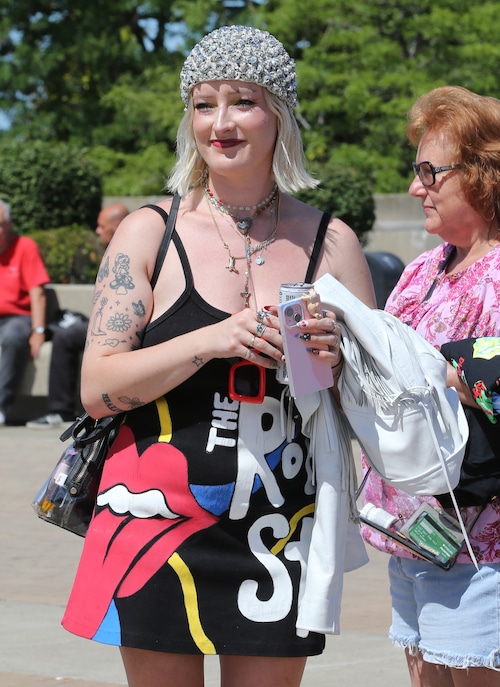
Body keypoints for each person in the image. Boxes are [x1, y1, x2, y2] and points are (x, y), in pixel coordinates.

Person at [61, 25, 375, 687]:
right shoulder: (149, 230)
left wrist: (339, 361)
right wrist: (210, 339)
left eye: (243, 102)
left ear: (280, 115)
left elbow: (370, 402)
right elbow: (96, 385)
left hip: (280, 525)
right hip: (153, 515)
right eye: (205, 103)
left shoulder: (332, 240)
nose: (221, 123)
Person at [360, 86, 500, 686]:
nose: (417, 187)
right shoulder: (425, 266)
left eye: (429, 172)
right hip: (417, 530)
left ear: (484, 173)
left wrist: (439, 369)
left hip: (483, 537)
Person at [26, 202, 129, 429]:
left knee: (68, 336)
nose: (97, 231)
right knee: (67, 335)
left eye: (101, 226)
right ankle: (62, 412)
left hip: (132, 325)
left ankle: (71, 412)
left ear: (117, 225)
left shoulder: (132, 249)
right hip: (111, 321)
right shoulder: (115, 249)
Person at [0, 200, 51, 426]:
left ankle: (1, 406)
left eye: (0, 224)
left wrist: (38, 331)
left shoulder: (25, 247)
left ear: (9, 224)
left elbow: (37, 293)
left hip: (17, 317)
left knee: (12, 336)